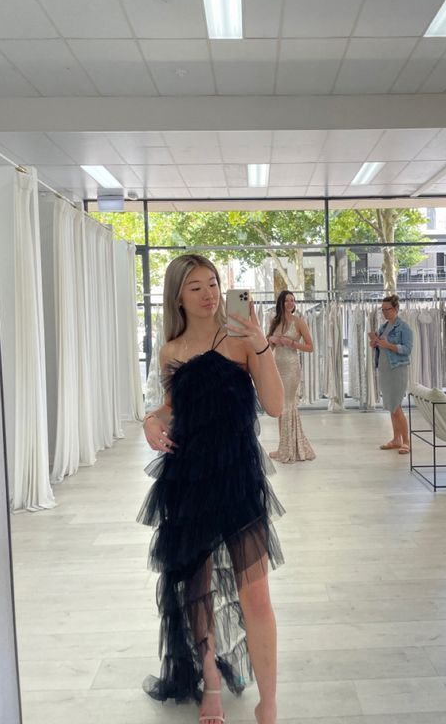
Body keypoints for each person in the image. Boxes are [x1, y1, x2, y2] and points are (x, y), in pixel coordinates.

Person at [140, 254, 284, 724]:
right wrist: (150, 420)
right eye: (196, 286)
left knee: (256, 595)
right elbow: (173, 407)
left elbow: (276, 406)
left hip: (239, 477)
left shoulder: (242, 338)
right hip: (188, 480)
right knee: (196, 589)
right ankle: (212, 684)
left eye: (213, 283)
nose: (208, 294)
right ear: (178, 297)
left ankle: (269, 702)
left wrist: (261, 344)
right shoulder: (171, 351)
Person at [266, 290, 315, 463]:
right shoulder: (274, 321)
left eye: (292, 300)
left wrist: (291, 343)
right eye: (287, 300)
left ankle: (287, 449)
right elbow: (269, 348)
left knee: (287, 404)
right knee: (281, 406)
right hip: (277, 366)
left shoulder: (299, 322)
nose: (290, 303)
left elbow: (310, 347)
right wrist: (271, 340)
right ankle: (284, 446)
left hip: (292, 368)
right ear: (281, 302)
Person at [369, 294, 413, 455]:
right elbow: (380, 346)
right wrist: (375, 343)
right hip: (385, 370)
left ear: (395, 309)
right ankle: (396, 439)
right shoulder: (383, 327)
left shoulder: (404, 328)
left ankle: (406, 441)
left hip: (397, 370)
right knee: (391, 407)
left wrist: (388, 345)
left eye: (387, 309)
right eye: (382, 310)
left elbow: (407, 349)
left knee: (396, 406)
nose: (384, 312)